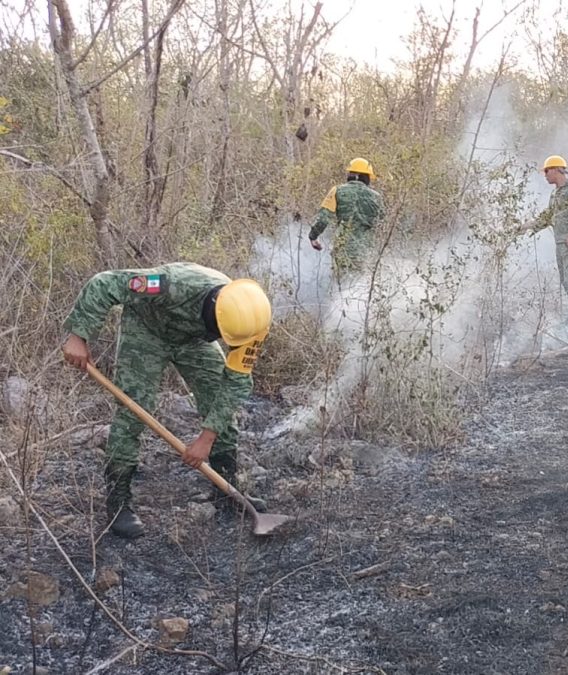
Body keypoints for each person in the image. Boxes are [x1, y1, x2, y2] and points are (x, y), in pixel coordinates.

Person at [61, 263, 272, 538]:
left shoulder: (250, 323)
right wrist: (79, 335)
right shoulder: (169, 284)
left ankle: (227, 491)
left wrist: (206, 438)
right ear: (216, 316)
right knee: (132, 412)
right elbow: (104, 281)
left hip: (194, 341)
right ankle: (118, 505)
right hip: (147, 330)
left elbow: (235, 384)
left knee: (217, 399)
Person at [521, 155, 568, 333]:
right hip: (560, 244)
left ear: (555, 170)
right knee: (565, 282)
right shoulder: (555, 193)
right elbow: (549, 216)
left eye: (546, 171)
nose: (545, 175)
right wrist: (527, 226)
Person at [308, 157, 385, 278]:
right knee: (362, 285)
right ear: (366, 177)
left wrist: (313, 236)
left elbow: (323, 218)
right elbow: (382, 224)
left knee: (340, 283)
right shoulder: (377, 197)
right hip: (366, 251)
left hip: (343, 249)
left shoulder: (336, 191)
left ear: (352, 174)